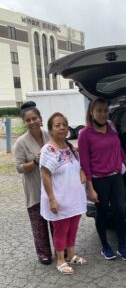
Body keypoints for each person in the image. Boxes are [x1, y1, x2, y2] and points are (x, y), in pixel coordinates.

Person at [78, 98, 126, 261]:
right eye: (99, 111)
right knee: (102, 213)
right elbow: (85, 163)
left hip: (116, 177)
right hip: (98, 180)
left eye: (105, 110)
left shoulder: (111, 127)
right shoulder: (85, 134)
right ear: (91, 112)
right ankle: (105, 246)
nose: (103, 114)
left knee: (120, 211)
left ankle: (122, 245)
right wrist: (90, 188)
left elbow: (119, 148)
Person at [40, 112, 87, 274]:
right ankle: (60, 260)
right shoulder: (48, 149)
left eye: (64, 125)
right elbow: (45, 175)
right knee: (61, 229)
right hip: (59, 199)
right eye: (57, 125)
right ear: (50, 129)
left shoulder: (69, 146)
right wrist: (52, 199)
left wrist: (81, 172)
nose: (62, 128)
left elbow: (78, 165)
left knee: (73, 227)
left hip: (74, 198)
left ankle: (71, 255)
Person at [14, 101, 52, 265]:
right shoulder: (20, 142)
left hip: (51, 187)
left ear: (40, 119)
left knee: (56, 221)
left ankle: (61, 249)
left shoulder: (48, 135)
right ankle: (44, 253)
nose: (32, 122)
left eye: (34, 118)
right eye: (28, 120)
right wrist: (35, 162)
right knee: (39, 223)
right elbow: (19, 168)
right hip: (34, 189)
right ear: (25, 123)